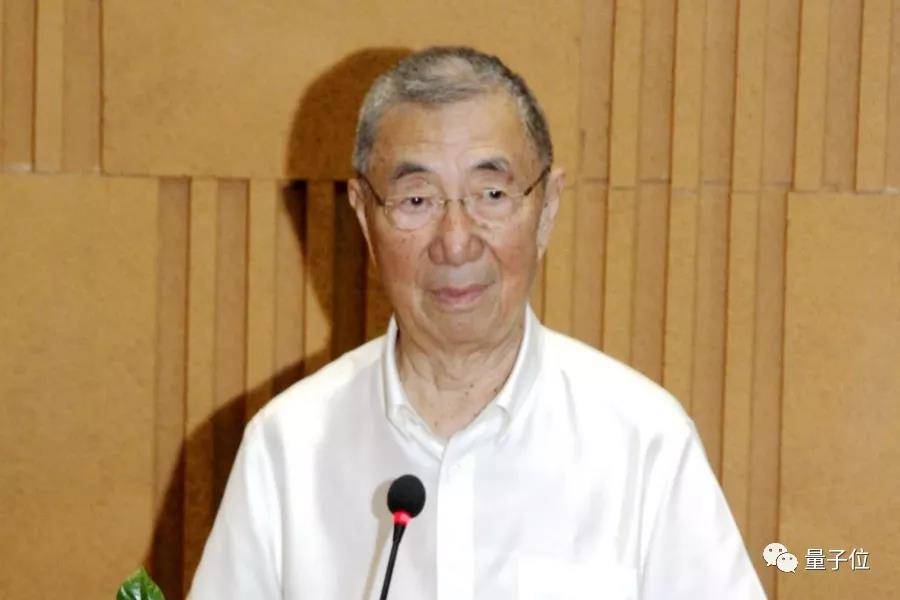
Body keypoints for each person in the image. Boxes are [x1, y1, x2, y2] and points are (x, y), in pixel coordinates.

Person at [189, 46, 765, 599]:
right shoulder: (287, 448)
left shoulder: (644, 443)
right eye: (417, 200)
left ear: (547, 209)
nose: (456, 241)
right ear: (365, 216)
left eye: (491, 193)